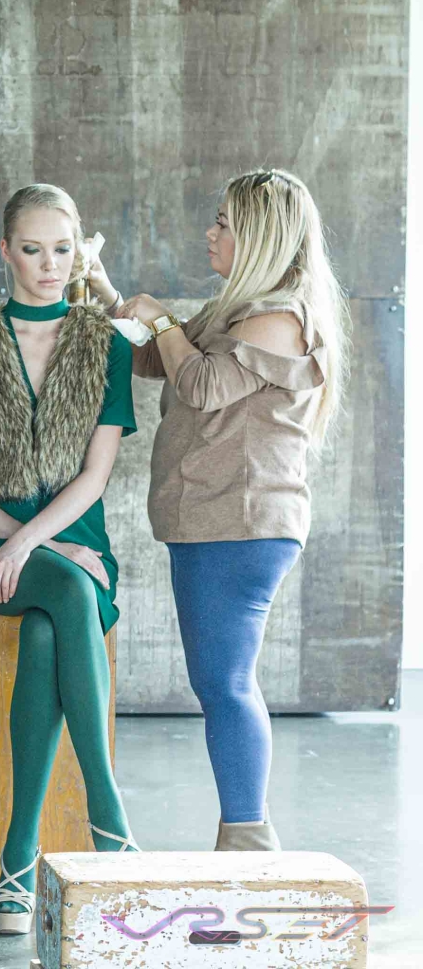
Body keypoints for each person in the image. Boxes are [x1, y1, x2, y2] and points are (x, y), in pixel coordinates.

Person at [92, 169, 349, 851]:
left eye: (225, 223)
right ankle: (244, 829)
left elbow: (201, 384)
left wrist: (163, 318)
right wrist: (106, 291)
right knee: (220, 680)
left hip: (242, 522)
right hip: (213, 521)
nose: (211, 232)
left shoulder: (280, 317)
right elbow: (156, 362)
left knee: (226, 681)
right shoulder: (236, 310)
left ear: (261, 237)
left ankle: (248, 833)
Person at [0, 184, 139, 936]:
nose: (50, 264)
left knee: (56, 618)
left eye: (63, 248)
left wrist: (36, 541)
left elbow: (95, 477)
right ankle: (110, 824)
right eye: (31, 248)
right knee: (69, 592)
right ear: (5, 252)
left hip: (75, 534)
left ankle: (21, 862)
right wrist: (23, 544)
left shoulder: (104, 343)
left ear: (79, 250)